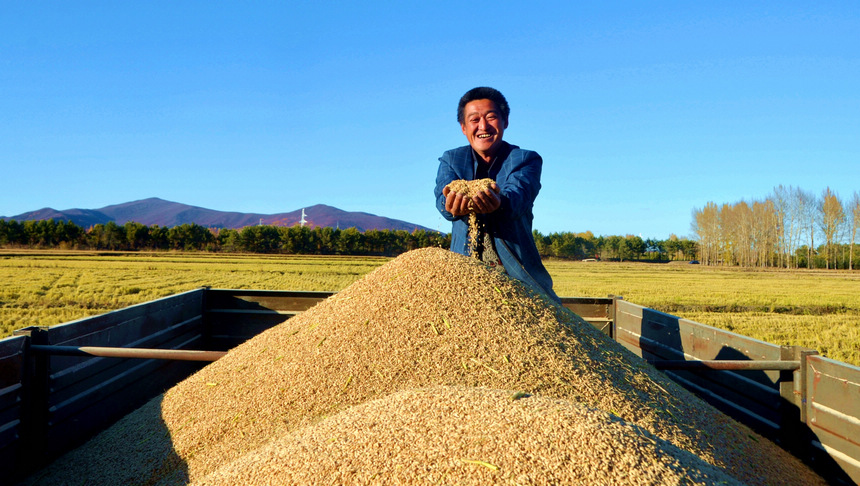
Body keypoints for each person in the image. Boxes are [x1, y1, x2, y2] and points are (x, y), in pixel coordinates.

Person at [434, 87, 560, 302]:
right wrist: (449, 203)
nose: (483, 126)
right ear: (464, 128)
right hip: (465, 275)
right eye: (474, 120)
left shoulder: (525, 159)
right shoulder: (452, 159)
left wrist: (498, 202)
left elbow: (519, 196)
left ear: (505, 122)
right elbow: (442, 197)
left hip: (517, 274)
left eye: (491, 117)